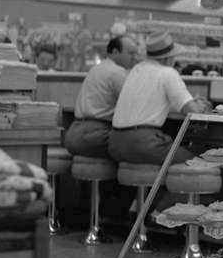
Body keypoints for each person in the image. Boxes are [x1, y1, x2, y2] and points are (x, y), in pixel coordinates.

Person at [108, 32, 212, 165]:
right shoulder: (168, 72)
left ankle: (154, 186)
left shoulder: (136, 69)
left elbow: (152, 101)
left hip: (115, 144)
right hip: (142, 145)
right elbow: (193, 111)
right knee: (200, 161)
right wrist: (201, 104)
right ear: (168, 58)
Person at [63, 34, 140, 159]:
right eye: (131, 53)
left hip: (72, 134)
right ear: (115, 52)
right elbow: (134, 105)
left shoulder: (97, 68)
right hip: (93, 137)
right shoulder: (117, 72)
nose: (135, 58)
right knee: (135, 150)